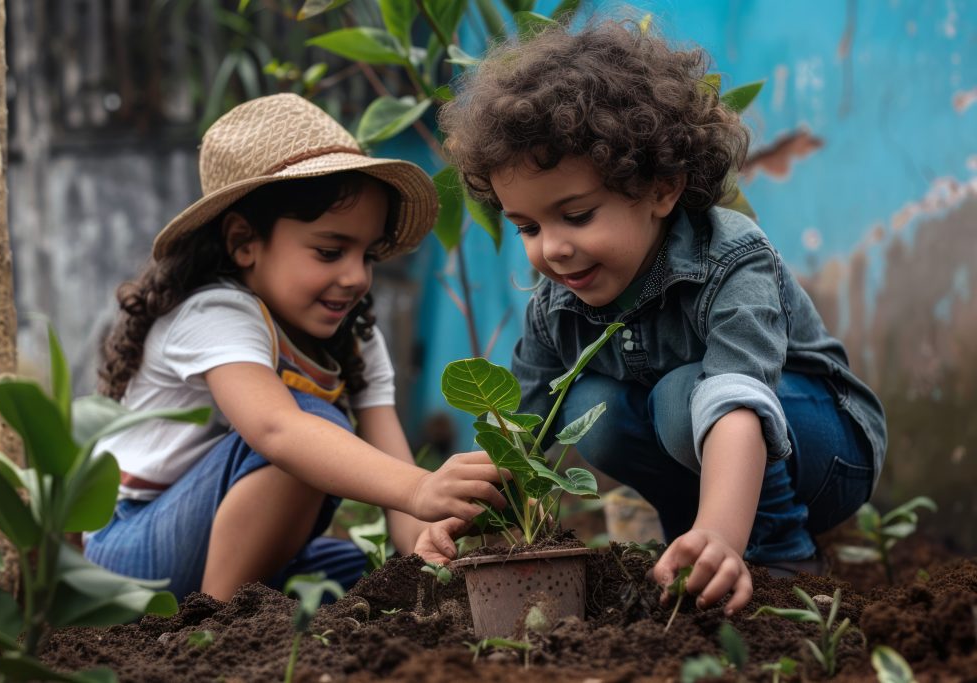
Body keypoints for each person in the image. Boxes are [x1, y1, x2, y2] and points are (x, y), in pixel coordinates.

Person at [423, 21, 886, 616]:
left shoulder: (731, 258)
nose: (553, 249)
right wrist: (456, 516)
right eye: (530, 228)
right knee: (596, 407)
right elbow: (523, 438)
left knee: (681, 395)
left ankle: (779, 556)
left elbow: (737, 400)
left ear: (662, 189)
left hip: (826, 452)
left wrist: (723, 532)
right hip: (712, 462)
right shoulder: (556, 306)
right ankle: (688, 551)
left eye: (578, 215)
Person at [85, 93, 504, 601]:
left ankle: (241, 610)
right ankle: (216, 628)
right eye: (330, 251)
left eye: (367, 254)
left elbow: (401, 499)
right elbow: (278, 430)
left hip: (212, 546)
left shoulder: (352, 334)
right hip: (128, 554)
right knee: (311, 427)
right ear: (244, 241)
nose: (355, 277)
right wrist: (420, 488)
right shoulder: (215, 313)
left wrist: (429, 535)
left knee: (361, 574)